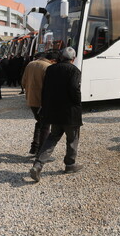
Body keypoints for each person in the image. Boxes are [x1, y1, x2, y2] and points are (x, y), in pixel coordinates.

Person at [29, 47, 83, 183]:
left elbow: (45, 90)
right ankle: (70, 164)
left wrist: (46, 107)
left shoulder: (51, 69)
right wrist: (78, 103)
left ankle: (38, 164)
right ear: (73, 59)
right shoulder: (74, 71)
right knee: (72, 138)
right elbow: (74, 89)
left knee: (52, 138)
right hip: (70, 112)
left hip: (54, 111)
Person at [21, 52, 57, 156]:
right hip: (43, 101)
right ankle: (42, 153)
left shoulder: (30, 64)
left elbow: (23, 82)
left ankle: (34, 147)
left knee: (39, 122)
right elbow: (50, 87)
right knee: (45, 126)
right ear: (53, 60)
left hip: (31, 100)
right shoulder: (48, 67)